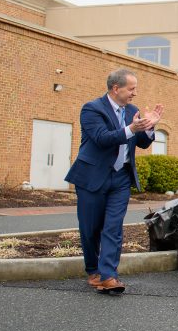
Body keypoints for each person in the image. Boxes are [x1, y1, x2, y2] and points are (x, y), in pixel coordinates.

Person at [66, 69, 163, 294]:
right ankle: (93, 270)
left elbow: (142, 142)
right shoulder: (92, 109)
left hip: (121, 178)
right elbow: (102, 138)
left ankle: (109, 276)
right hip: (92, 177)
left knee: (113, 226)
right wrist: (131, 128)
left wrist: (149, 127)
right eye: (131, 89)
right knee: (90, 228)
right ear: (116, 88)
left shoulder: (132, 111)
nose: (135, 93)